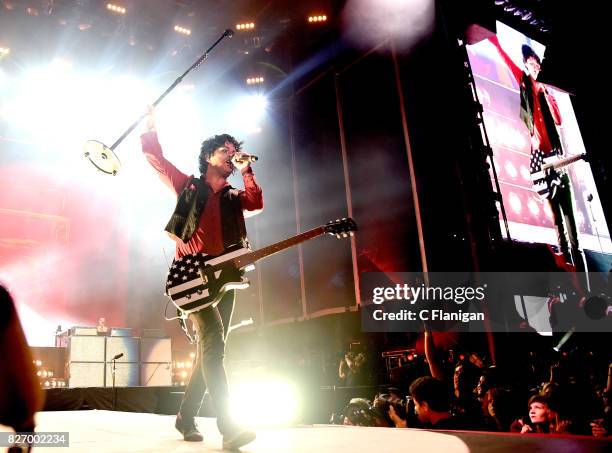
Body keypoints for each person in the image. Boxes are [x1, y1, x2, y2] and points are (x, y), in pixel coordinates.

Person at [141, 106, 262, 449]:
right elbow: (155, 157)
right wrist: (150, 126)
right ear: (209, 156)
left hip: (227, 278)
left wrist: (247, 169)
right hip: (192, 278)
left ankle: (185, 416)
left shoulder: (232, 197)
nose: (230, 155)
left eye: (233, 151)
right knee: (212, 348)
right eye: (225, 150)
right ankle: (229, 426)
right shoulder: (189, 186)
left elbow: (255, 202)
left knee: (212, 350)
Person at [489, 35, 582, 269]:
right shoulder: (524, 84)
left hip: (556, 156)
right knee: (554, 212)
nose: (536, 66)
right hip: (540, 157)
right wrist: (494, 40)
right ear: (526, 65)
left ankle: (576, 251)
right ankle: (566, 255)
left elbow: (559, 121)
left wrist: (549, 97)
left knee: (567, 207)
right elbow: (509, 64)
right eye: (531, 63)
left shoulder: (547, 89)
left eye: (538, 62)